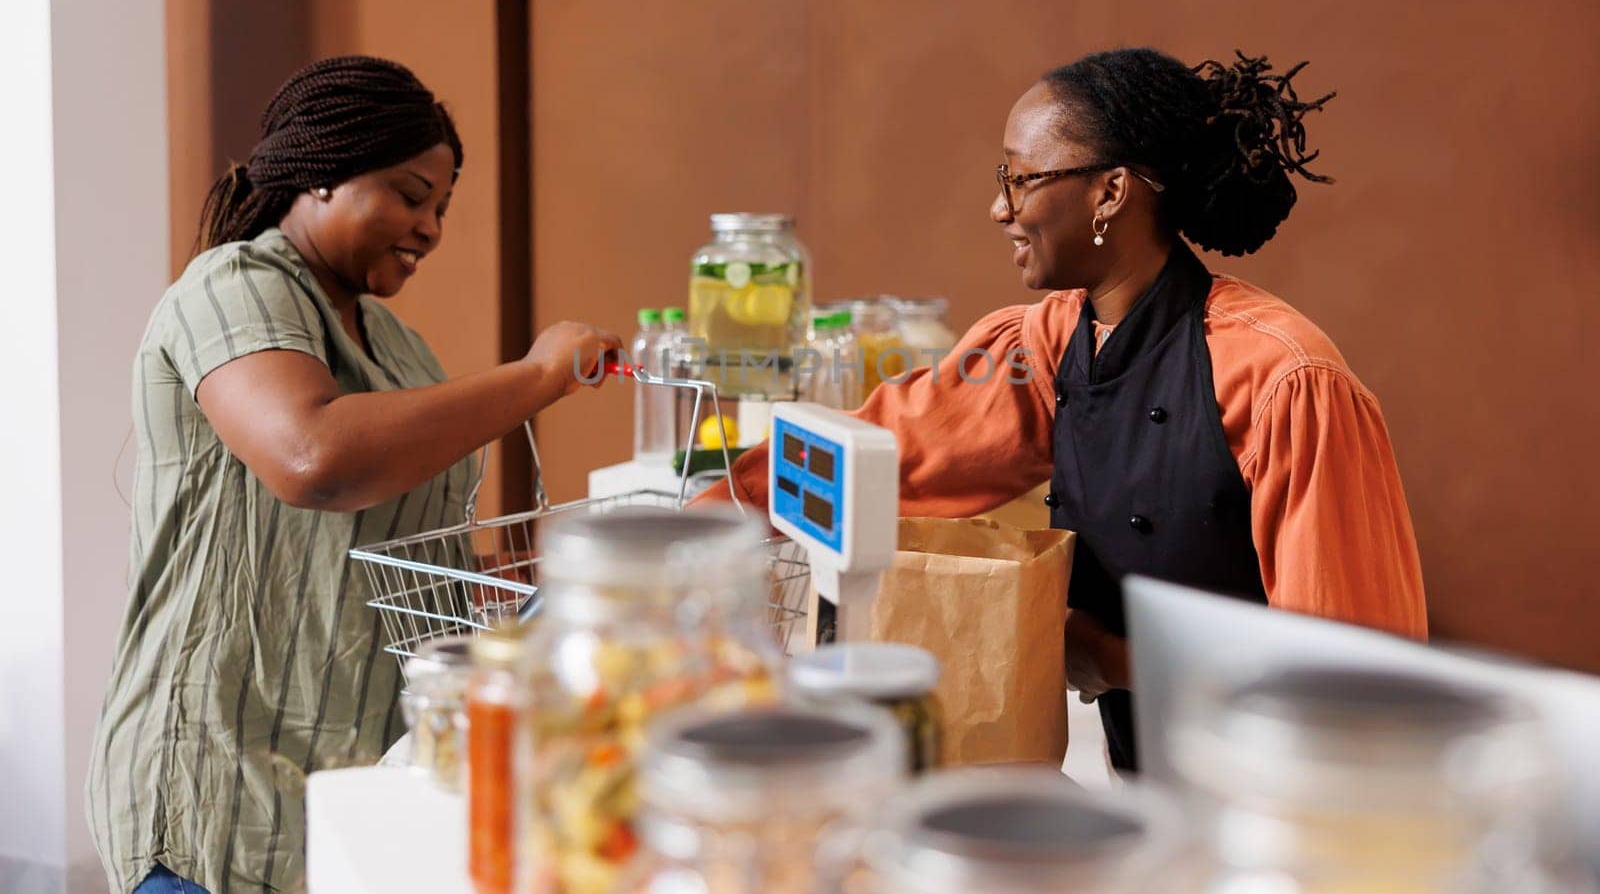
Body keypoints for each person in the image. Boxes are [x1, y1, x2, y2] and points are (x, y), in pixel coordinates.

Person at [699, 48, 1427, 771]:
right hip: (1144, 779)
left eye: (1020, 178)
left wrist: (1112, 658)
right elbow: (901, 445)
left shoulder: (1285, 379)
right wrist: (711, 517)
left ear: (1110, 192)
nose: (999, 208)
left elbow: (1350, 676)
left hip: (1283, 804)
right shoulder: (1050, 342)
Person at [87, 56, 621, 893]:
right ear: (324, 176)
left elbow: (380, 553)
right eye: (411, 196)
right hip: (220, 794)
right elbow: (316, 461)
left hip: (346, 801)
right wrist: (540, 376)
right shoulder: (231, 287)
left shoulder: (398, 347)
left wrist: (522, 589)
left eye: (440, 207)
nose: (432, 228)